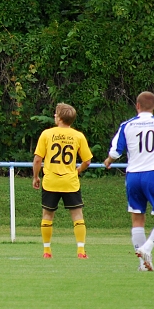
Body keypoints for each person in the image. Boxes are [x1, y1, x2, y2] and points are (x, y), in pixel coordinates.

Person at [104, 91, 154, 272]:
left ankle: (143, 265)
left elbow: (115, 152)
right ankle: (147, 248)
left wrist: (108, 162)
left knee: (137, 220)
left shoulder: (127, 125)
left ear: (137, 106)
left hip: (133, 176)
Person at [32, 103, 93, 259]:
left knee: (47, 216)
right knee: (77, 216)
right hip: (70, 182)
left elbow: (38, 159)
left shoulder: (46, 134)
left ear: (59, 118)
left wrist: (36, 176)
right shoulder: (78, 136)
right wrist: (77, 171)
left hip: (51, 181)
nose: (54, 116)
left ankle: (47, 251)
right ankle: (81, 251)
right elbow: (87, 161)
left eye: (55, 114)